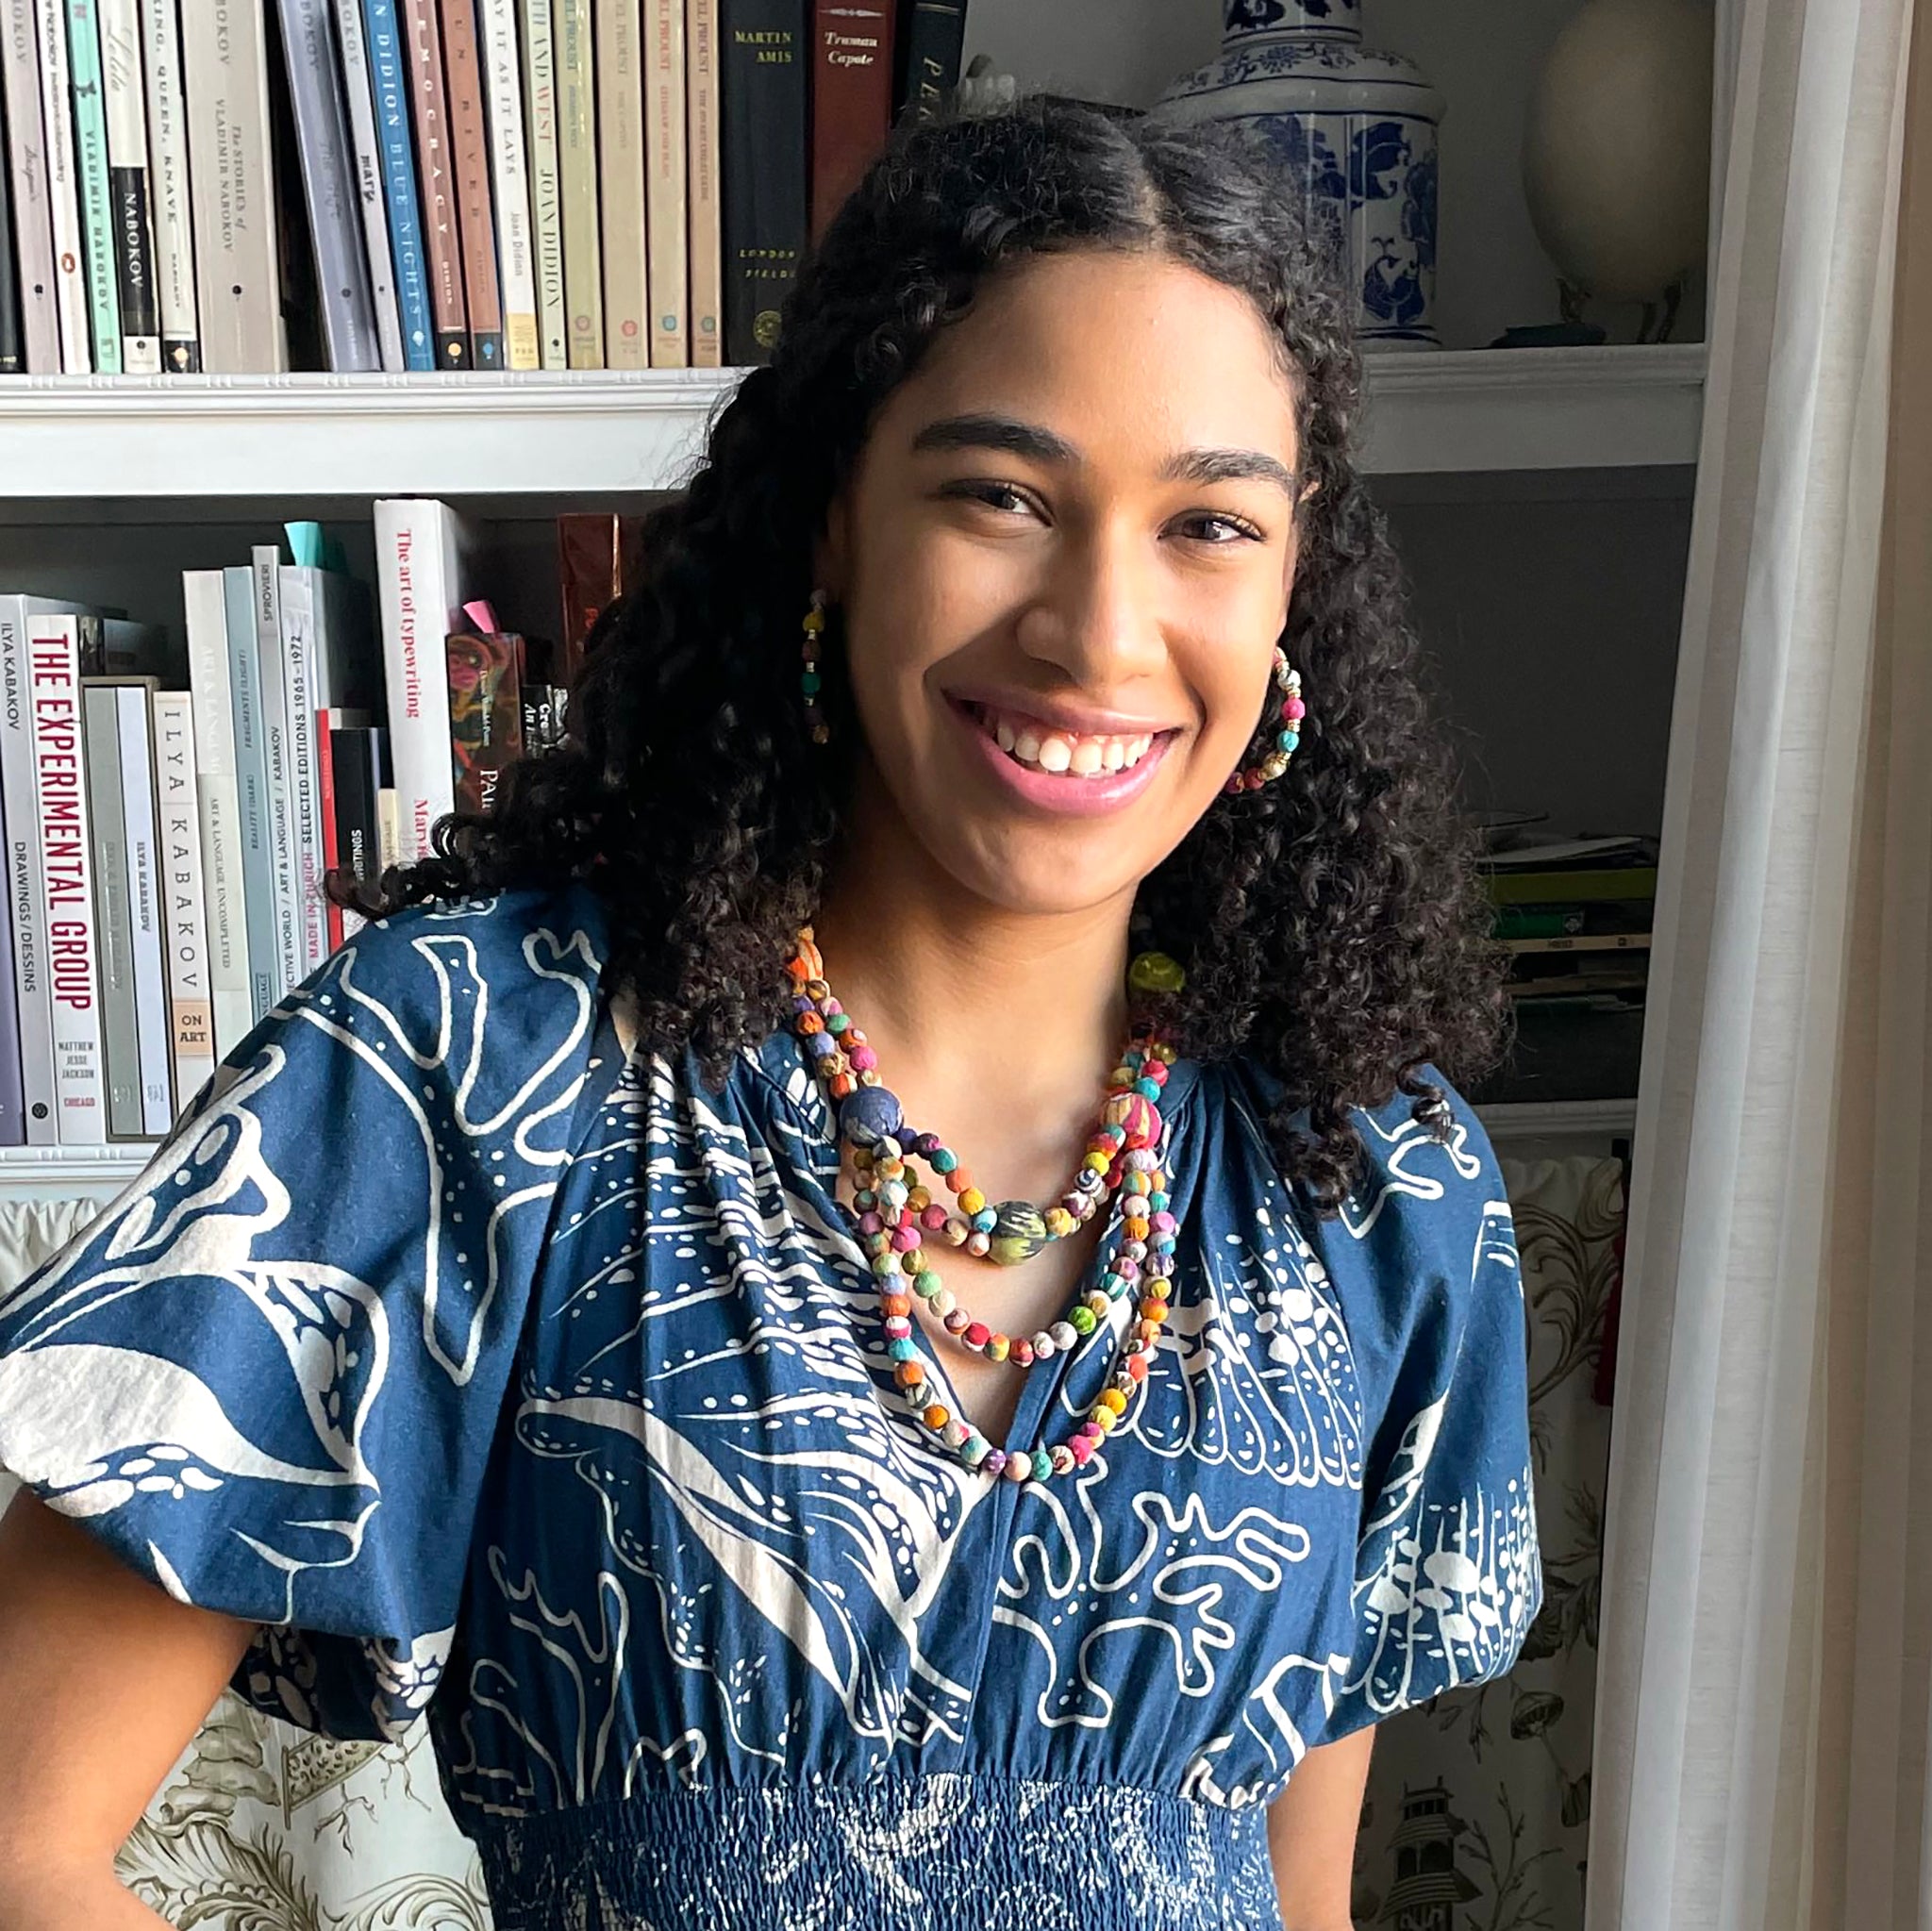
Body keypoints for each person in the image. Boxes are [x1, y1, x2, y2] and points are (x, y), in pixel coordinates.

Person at [0, 99, 1540, 1931]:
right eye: (1002, 497)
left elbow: (1302, 1904)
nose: (1102, 633)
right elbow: (20, 1837)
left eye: (1209, 524)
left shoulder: (1369, 1177)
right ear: (834, 521)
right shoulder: (478, 1070)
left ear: (1293, 595)